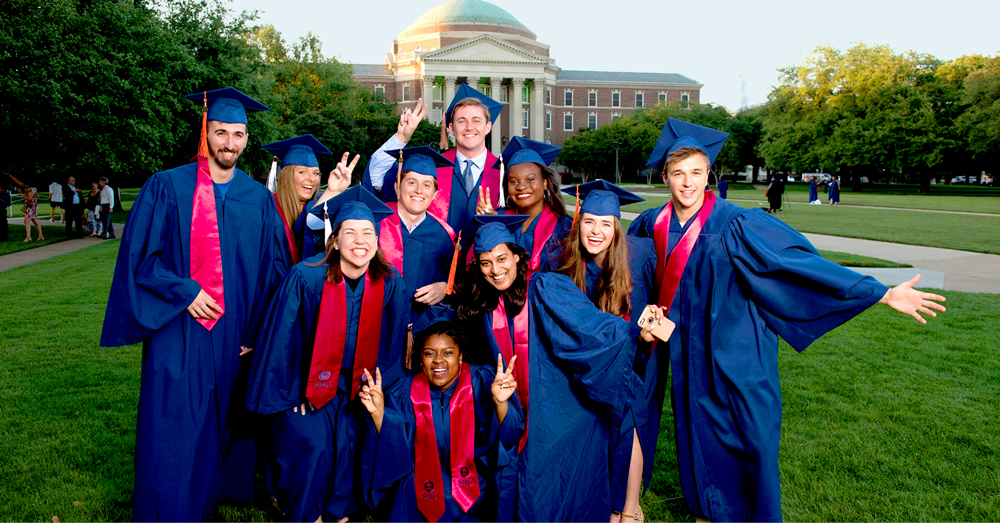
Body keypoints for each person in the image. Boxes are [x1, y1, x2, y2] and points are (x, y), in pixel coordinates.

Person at [627, 118, 947, 522]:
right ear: (665, 177)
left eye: (696, 172)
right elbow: (627, 277)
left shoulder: (738, 223)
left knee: (751, 432)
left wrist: (880, 293)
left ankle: (752, 512)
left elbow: (797, 266)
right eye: (678, 174)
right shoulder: (649, 224)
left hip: (735, 344)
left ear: (711, 175)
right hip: (681, 348)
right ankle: (707, 509)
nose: (687, 183)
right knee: (697, 427)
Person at [101, 87, 290, 521]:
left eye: (238, 134)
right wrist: (186, 291)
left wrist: (255, 332)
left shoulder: (258, 199)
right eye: (220, 133)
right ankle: (161, 511)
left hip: (232, 334)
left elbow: (272, 273)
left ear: (246, 137)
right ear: (205, 133)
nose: (229, 143)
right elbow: (140, 261)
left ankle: (200, 506)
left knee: (215, 425)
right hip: (178, 329)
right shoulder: (167, 186)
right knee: (171, 425)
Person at [454, 215, 662, 522]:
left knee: (561, 493)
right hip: (521, 412)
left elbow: (589, 325)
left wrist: (635, 334)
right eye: (485, 263)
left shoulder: (546, 287)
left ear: (516, 255)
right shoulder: (486, 306)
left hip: (563, 413)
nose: (496, 270)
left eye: (501, 259)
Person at [247, 186, 408, 522]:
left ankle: (340, 510)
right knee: (315, 443)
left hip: (356, 386)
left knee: (353, 436)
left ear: (378, 242)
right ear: (333, 240)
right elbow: (281, 344)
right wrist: (291, 393)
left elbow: (391, 347)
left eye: (368, 233)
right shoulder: (305, 277)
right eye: (349, 232)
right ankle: (306, 511)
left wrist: (379, 391)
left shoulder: (389, 283)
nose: (359, 240)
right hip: (304, 387)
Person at [551, 180, 657, 522]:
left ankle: (627, 508)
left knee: (630, 408)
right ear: (578, 223)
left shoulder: (634, 265)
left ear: (616, 229)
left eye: (606, 224)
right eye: (589, 221)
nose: (596, 231)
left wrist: (649, 330)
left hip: (621, 367)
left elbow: (641, 328)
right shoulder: (562, 267)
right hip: (576, 370)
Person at [360, 306, 524, 522]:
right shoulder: (405, 391)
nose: (438, 361)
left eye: (448, 352)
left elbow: (510, 437)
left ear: (461, 355)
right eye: (429, 353)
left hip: (475, 475)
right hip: (421, 475)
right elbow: (397, 449)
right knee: (411, 488)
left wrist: (500, 403)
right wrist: (380, 413)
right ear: (420, 358)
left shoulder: (480, 381)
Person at [363, 84, 504, 232]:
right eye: (461, 121)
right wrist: (401, 137)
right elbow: (376, 178)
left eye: (476, 121)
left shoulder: (504, 173)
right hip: (433, 252)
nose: (469, 127)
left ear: (488, 127)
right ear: (451, 128)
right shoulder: (433, 166)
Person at [376, 146, 459, 323]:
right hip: (374, 321)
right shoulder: (375, 224)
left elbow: (452, 278)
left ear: (435, 193)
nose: (419, 190)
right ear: (398, 186)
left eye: (427, 185)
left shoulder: (444, 235)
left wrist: (444, 287)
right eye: (412, 182)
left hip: (419, 327)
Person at [479, 136, 571, 272]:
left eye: (529, 179)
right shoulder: (499, 218)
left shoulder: (563, 227)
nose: (521, 187)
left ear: (545, 183)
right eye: (513, 181)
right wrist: (489, 225)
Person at [261, 133, 340, 264]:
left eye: (315, 173)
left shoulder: (323, 208)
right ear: (287, 176)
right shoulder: (267, 209)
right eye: (302, 172)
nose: (311, 179)